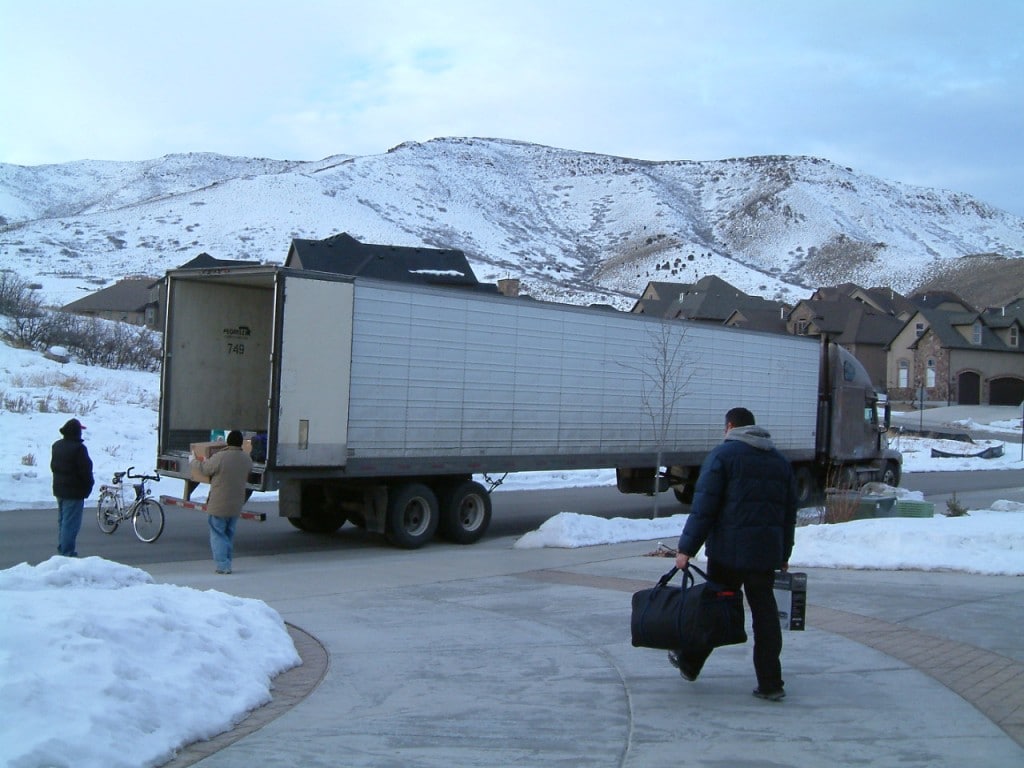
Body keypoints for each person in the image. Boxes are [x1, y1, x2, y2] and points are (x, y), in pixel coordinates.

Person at [672, 407, 797, 702]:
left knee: (712, 611)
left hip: (728, 554)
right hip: (764, 556)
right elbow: (788, 514)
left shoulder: (722, 457)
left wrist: (686, 549)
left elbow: (705, 508)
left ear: (730, 427)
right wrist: (784, 552)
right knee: (765, 617)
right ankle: (771, 682)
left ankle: (689, 663)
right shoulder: (779, 461)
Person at [191, 430, 252, 574]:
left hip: (219, 504)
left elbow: (206, 469)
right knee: (228, 534)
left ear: (228, 442)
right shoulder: (246, 459)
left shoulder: (220, 457)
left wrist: (193, 461)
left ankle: (223, 565)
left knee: (218, 534)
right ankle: (227, 562)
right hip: (236, 505)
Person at [50, 418, 94, 557]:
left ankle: (62, 548)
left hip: (59, 490)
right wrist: (87, 487)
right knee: (71, 524)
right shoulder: (79, 449)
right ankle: (67, 553)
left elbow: (53, 467)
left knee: (63, 522)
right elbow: (85, 471)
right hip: (74, 492)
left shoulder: (56, 446)